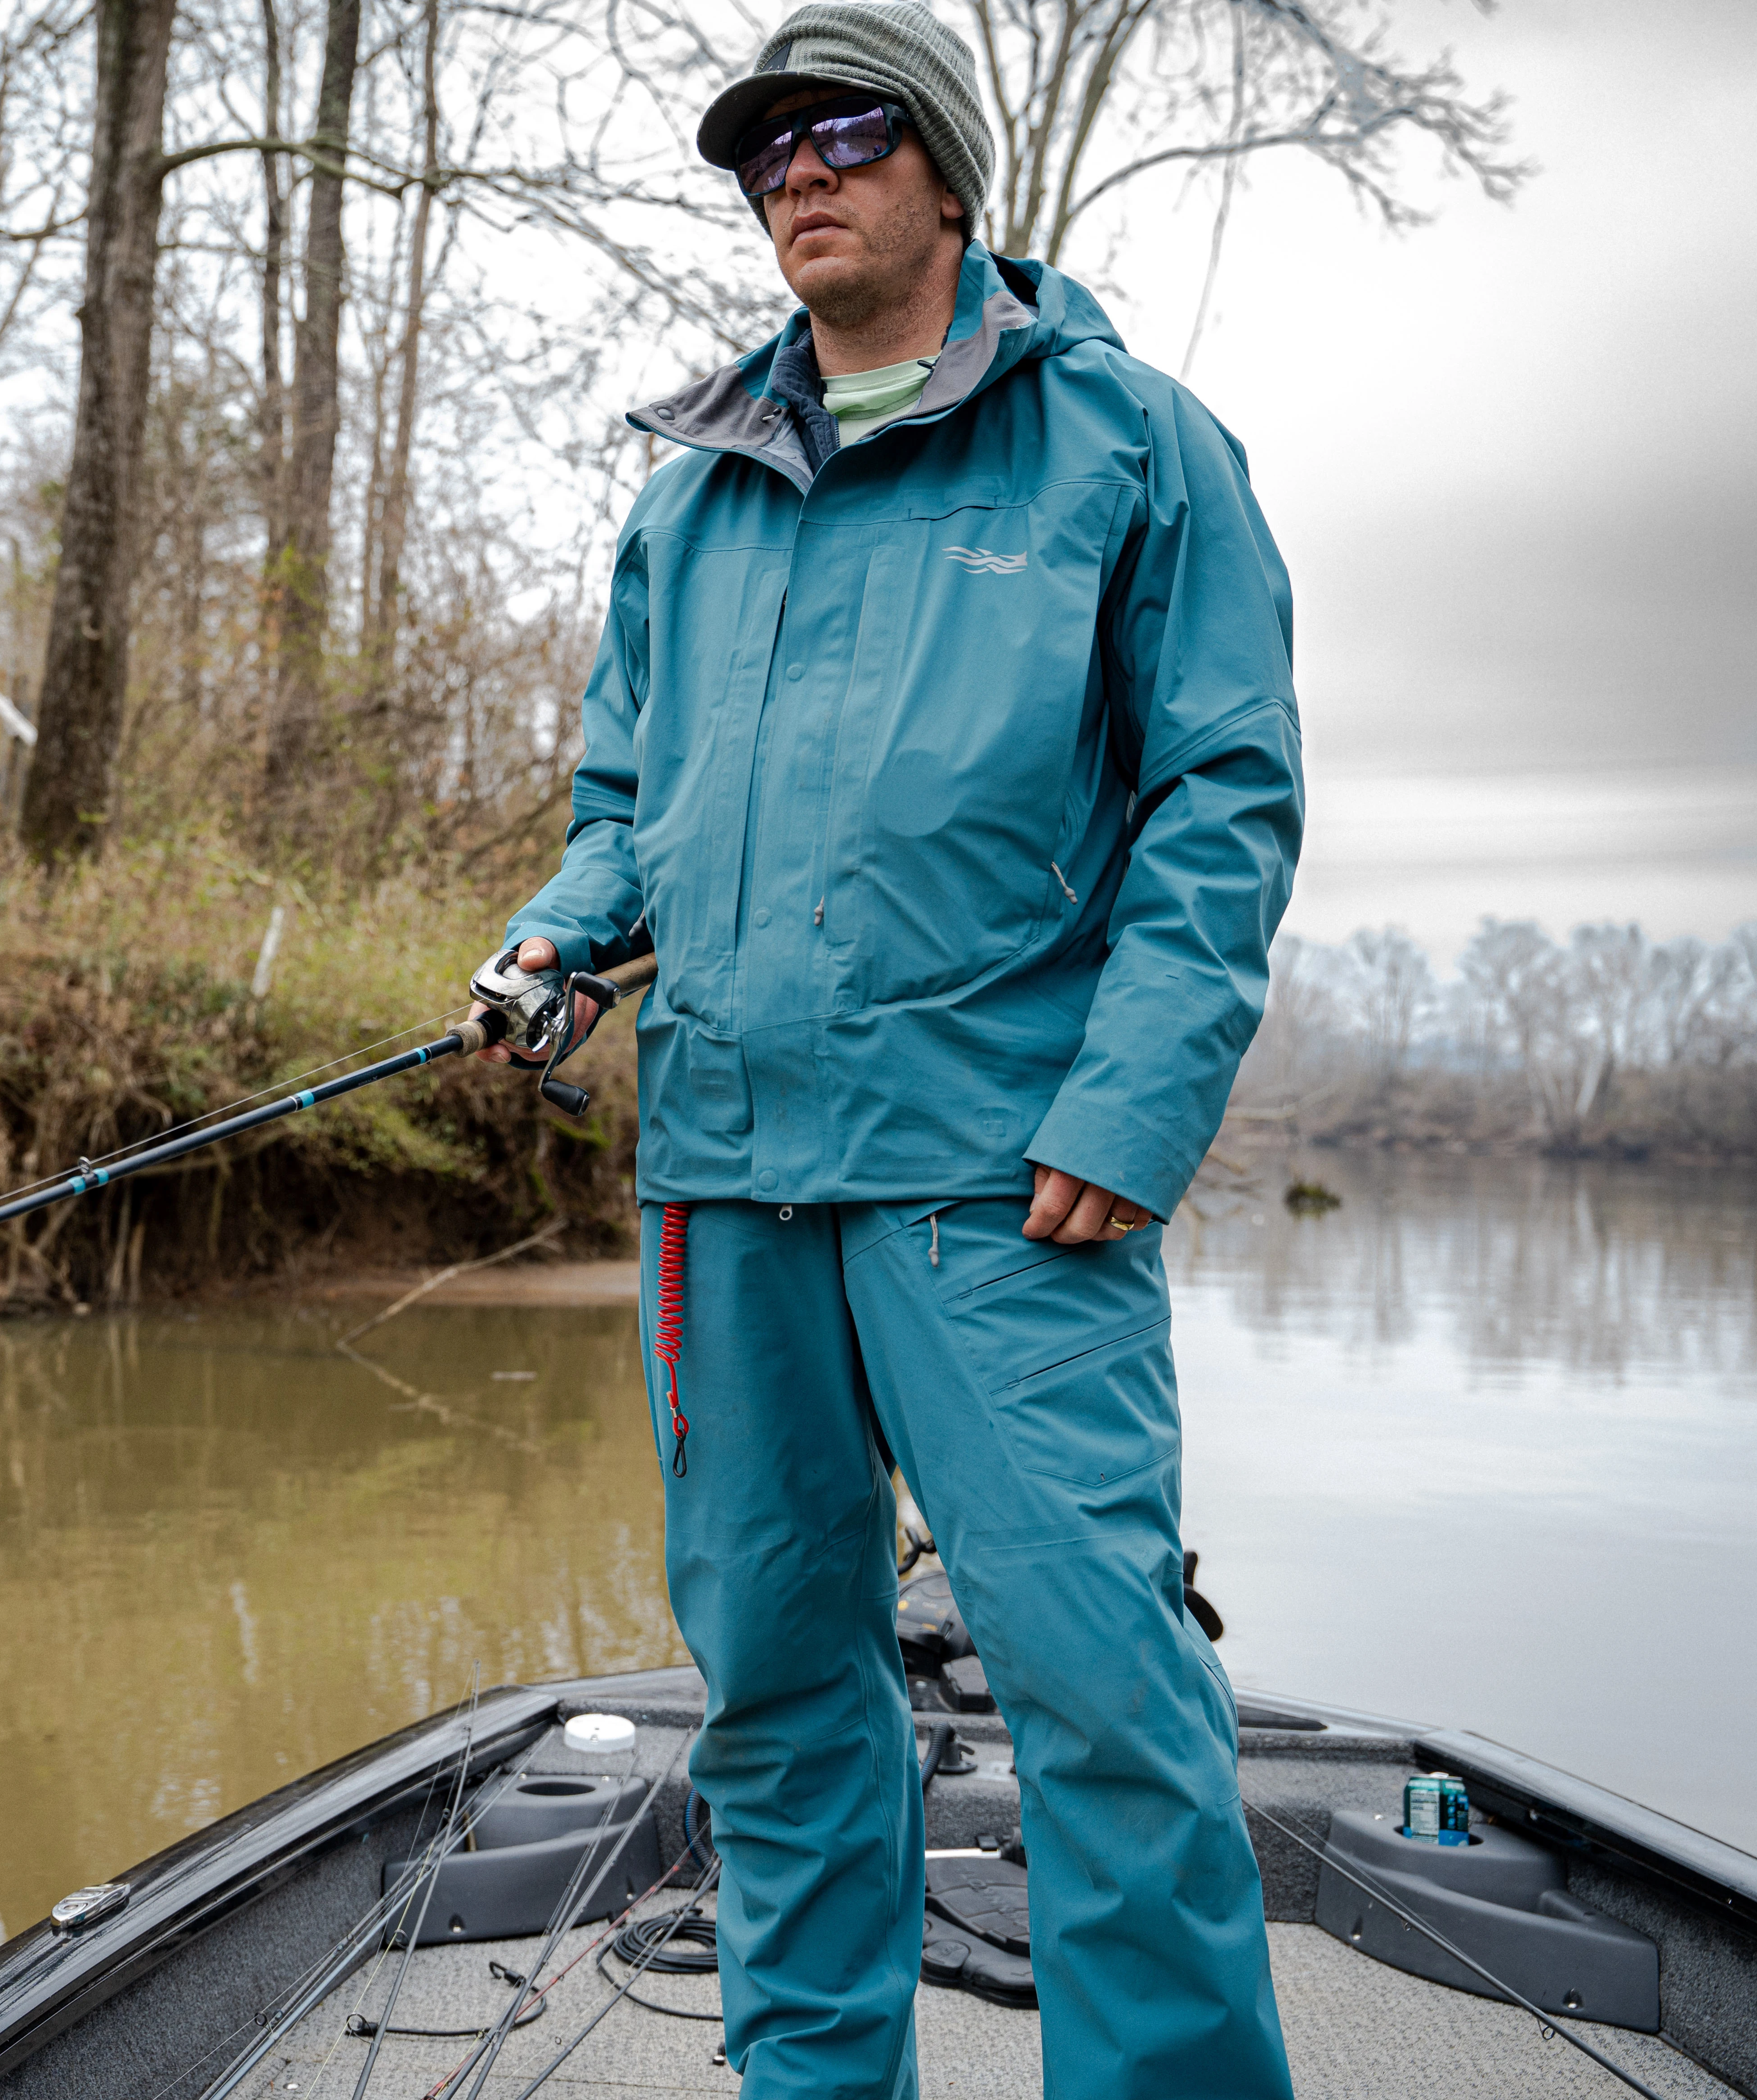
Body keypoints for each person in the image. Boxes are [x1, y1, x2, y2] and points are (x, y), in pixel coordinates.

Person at [476, 3, 1303, 2093]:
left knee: (1106, 1691)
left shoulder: (1132, 446)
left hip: (1003, 1179)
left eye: (843, 132)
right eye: (763, 150)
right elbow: (626, 809)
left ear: (946, 170)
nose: (798, 173)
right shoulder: (691, 500)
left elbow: (1226, 799)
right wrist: (567, 936)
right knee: (770, 1690)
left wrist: (1135, 1098)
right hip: (727, 1181)